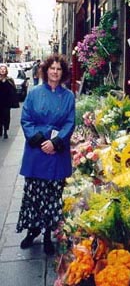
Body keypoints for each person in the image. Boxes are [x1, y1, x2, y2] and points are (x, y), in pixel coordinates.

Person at [16, 54, 75, 255]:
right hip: (37, 152)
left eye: (59, 69)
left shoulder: (68, 96)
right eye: (52, 68)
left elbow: (70, 122)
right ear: (46, 70)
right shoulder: (33, 93)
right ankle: (33, 231)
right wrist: (41, 140)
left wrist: (56, 142)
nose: (55, 72)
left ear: (63, 72)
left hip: (56, 153)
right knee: (34, 195)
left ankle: (49, 234)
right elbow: (26, 119)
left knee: (52, 196)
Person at [0, 65, 19, 139]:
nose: (2, 70)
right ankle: (0, 130)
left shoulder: (9, 79)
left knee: (6, 117)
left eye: (4, 69)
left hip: (6, 102)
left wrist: (14, 100)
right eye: (1, 69)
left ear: (6, 71)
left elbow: (13, 90)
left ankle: (5, 131)